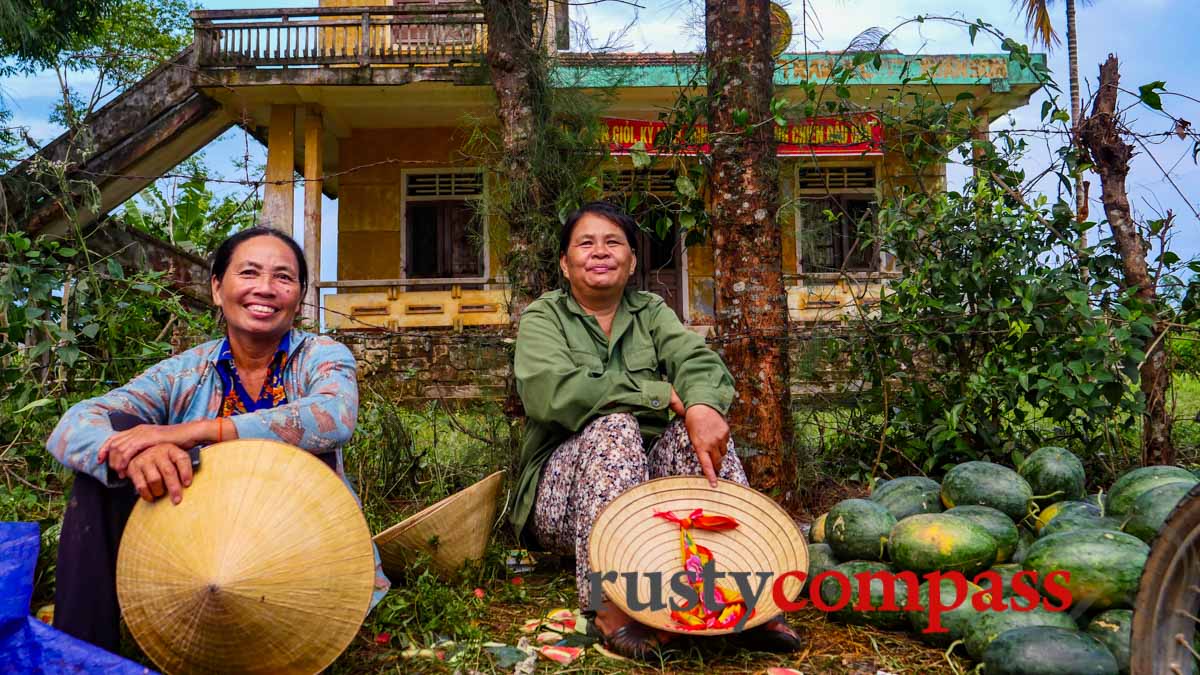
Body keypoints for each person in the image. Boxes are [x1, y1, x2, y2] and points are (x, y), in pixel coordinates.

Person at [45, 227, 389, 653]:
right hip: (206, 554)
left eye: (283, 277)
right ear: (216, 288)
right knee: (103, 465)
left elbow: (333, 417)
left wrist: (194, 431)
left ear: (298, 297)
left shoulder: (320, 355)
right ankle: (80, 655)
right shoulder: (185, 372)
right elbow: (72, 426)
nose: (265, 288)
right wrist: (133, 457)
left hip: (301, 553)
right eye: (248, 272)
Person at [509, 202, 802, 659]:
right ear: (565, 264)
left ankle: (743, 592)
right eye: (586, 243)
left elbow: (695, 360)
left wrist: (701, 405)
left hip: (646, 499)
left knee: (691, 435)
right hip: (562, 501)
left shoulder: (650, 311)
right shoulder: (544, 318)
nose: (599, 252)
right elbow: (552, 394)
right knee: (614, 427)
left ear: (630, 262)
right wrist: (657, 395)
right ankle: (610, 604)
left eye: (613, 243)